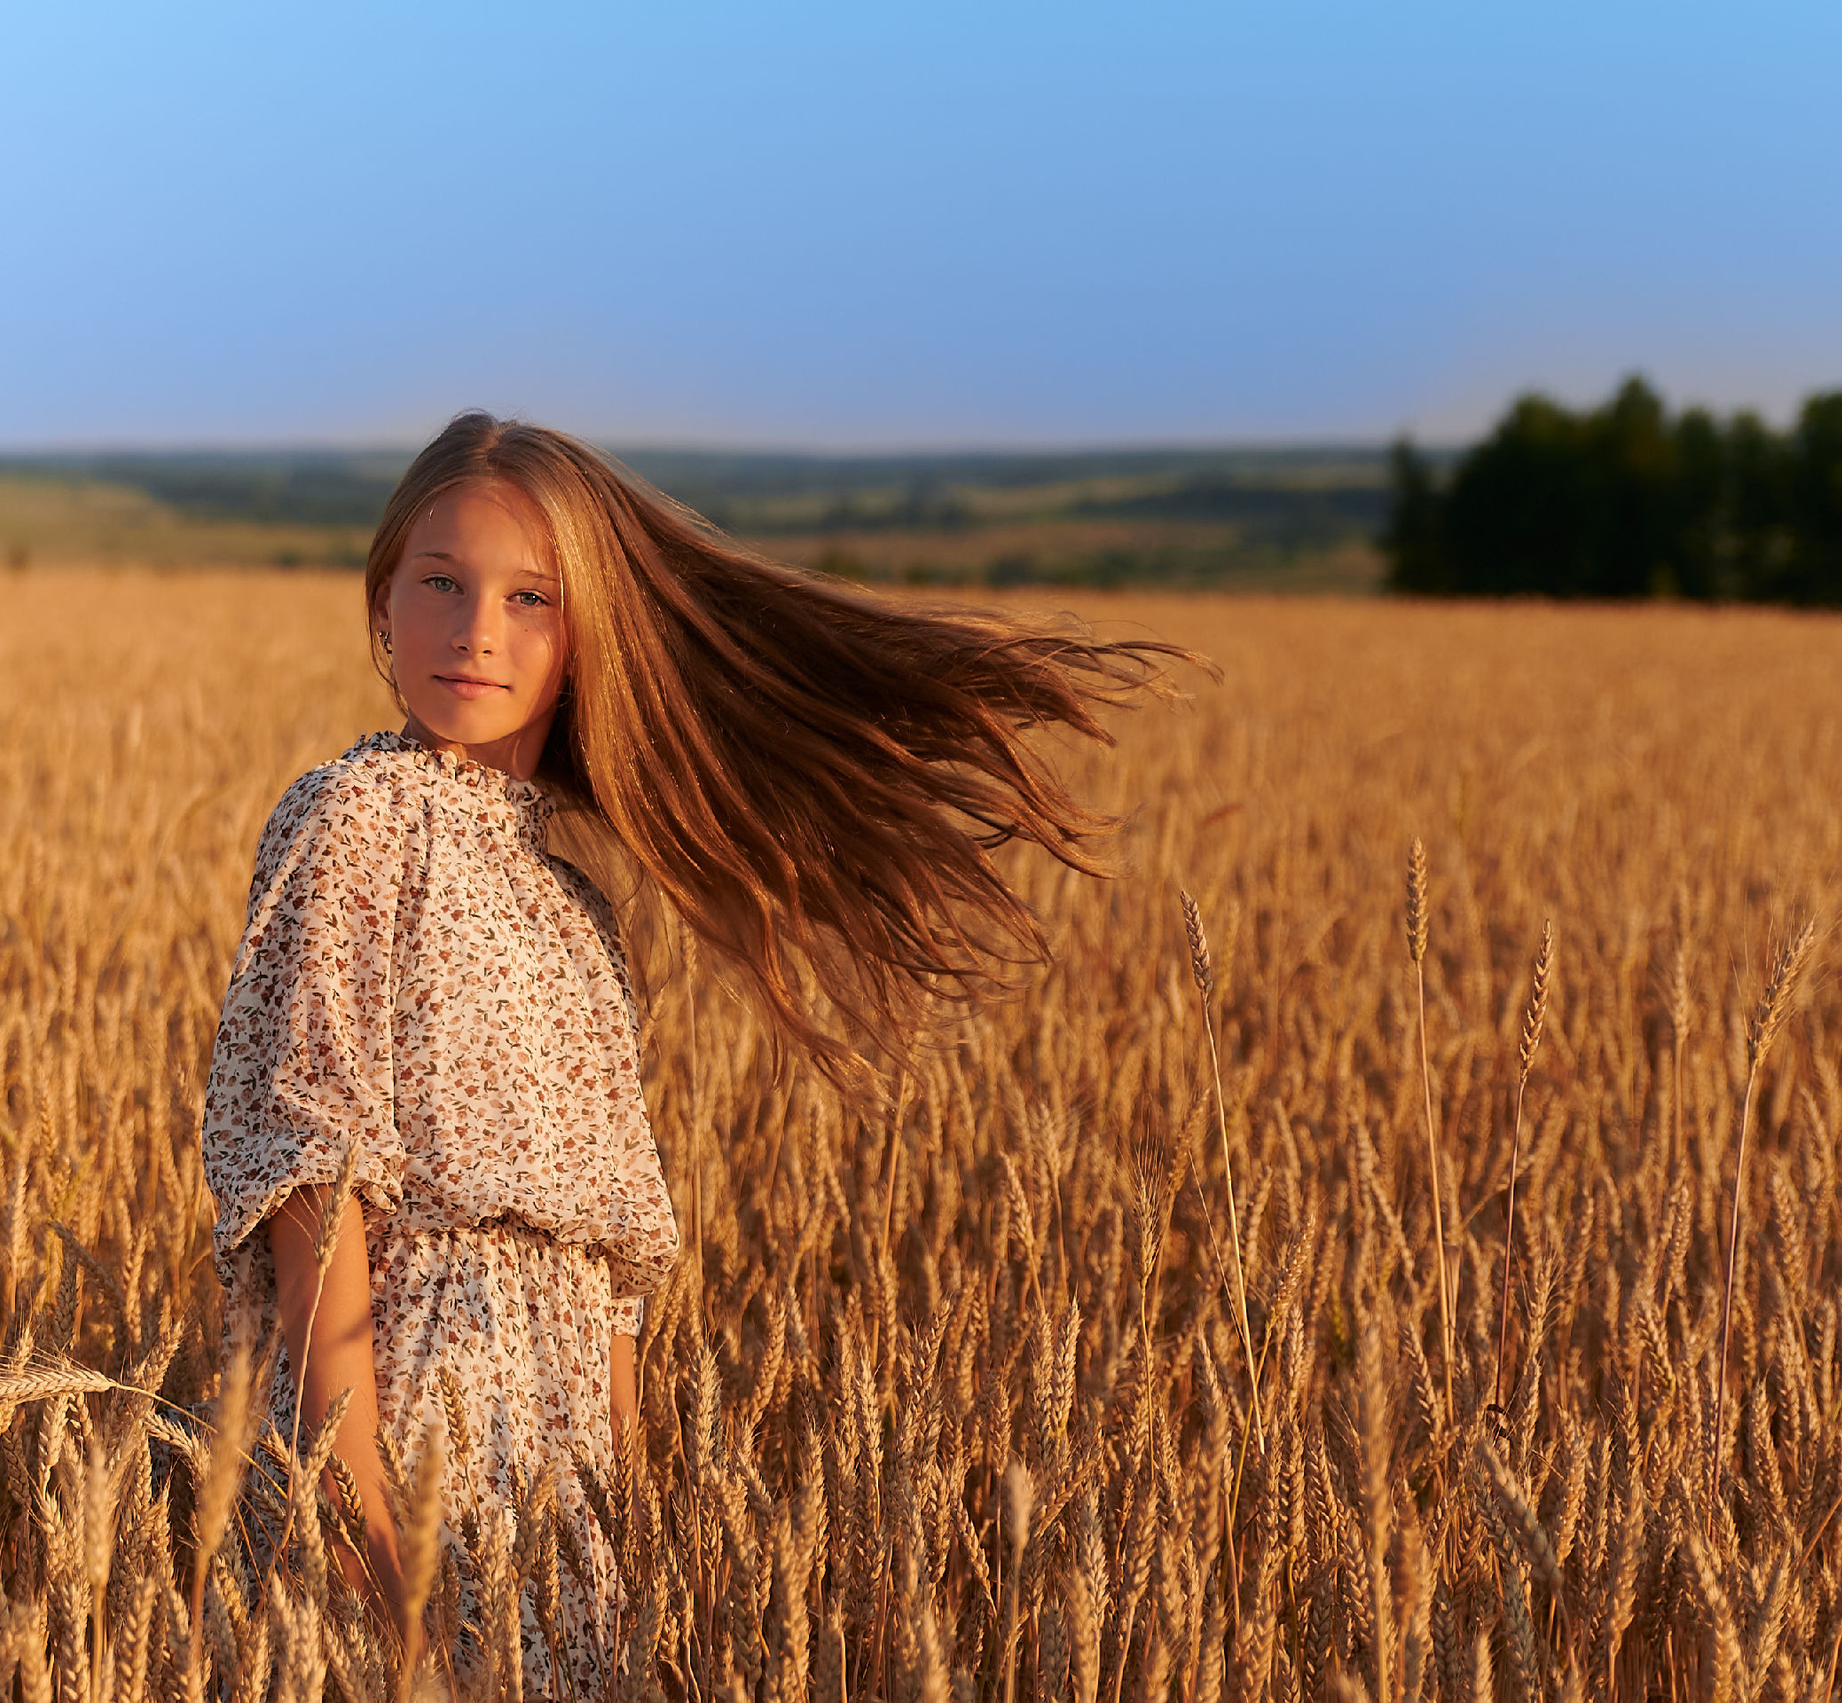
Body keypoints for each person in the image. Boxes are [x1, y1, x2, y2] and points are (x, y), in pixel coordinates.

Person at [197, 412, 1190, 1693]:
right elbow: (311, 1197)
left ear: (583, 638)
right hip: (403, 1447)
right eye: (440, 580)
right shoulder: (353, 821)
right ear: (382, 597)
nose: (475, 629)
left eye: (528, 597)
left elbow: (612, 1277)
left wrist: (634, 1547)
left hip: (557, 1500)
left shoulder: (571, 894)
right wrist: (388, 1576)